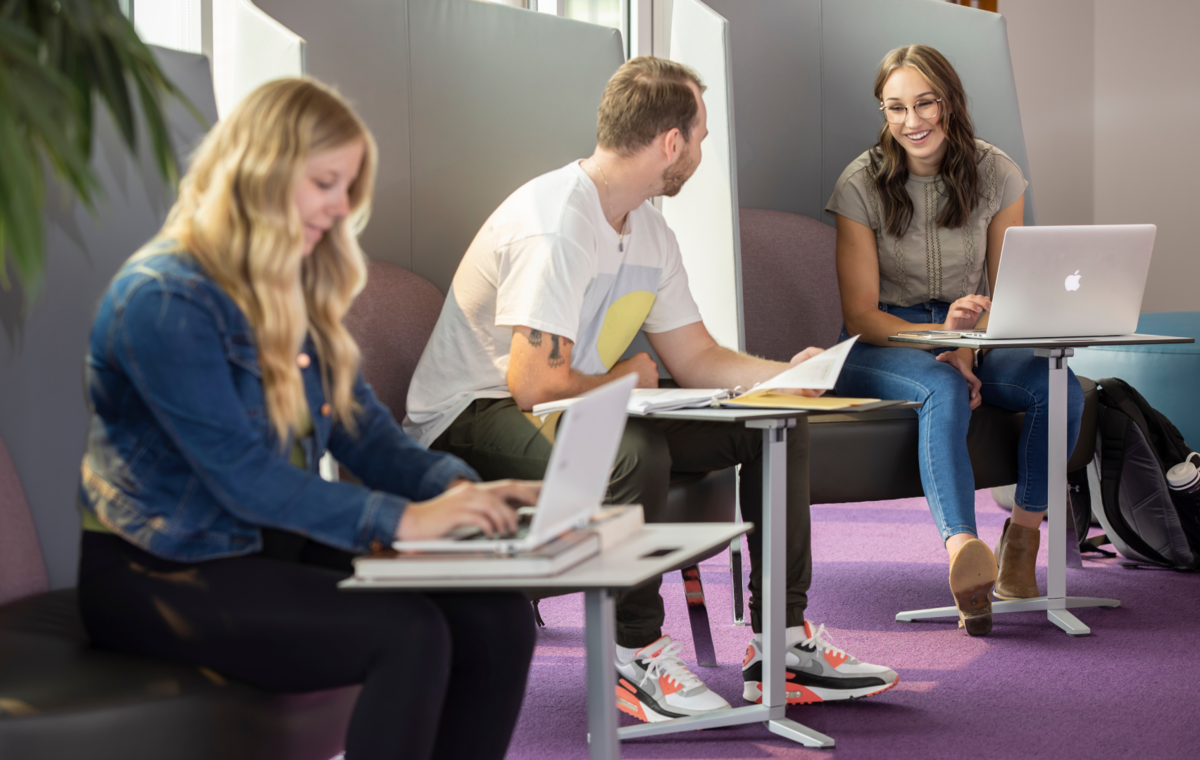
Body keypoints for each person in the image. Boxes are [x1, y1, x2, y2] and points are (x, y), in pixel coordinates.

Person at [404, 57, 898, 721]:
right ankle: (633, 654)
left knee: (776, 424)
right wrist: (624, 378)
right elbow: (529, 384)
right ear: (671, 142)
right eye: (699, 137)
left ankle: (780, 642)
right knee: (632, 449)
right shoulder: (556, 223)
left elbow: (695, 357)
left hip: (570, 405)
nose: (699, 152)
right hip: (471, 413)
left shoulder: (648, 230)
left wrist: (784, 379)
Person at [76, 79, 541, 760]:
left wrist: (455, 491)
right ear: (262, 171)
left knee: (497, 619)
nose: (341, 207)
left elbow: (367, 434)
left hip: (267, 547)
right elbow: (244, 478)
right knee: (407, 633)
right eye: (326, 182)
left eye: (347, 186)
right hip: (158, 572)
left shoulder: (291, 287)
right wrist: (404, 521)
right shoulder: (162, 298)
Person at [826, 44, 1085, 635]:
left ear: (950, 102)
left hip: (978, 331)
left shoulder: (998, 173)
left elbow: (1009, 291)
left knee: (1058, 384)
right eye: (895, 108)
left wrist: (969, 345)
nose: (912, 122)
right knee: (942, 385)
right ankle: (964, 554)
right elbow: (861, 314)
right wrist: (944, 342)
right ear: (883, 112)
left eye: (925, 104)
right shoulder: (860, 183)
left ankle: (1020, 546)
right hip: (882, 340)